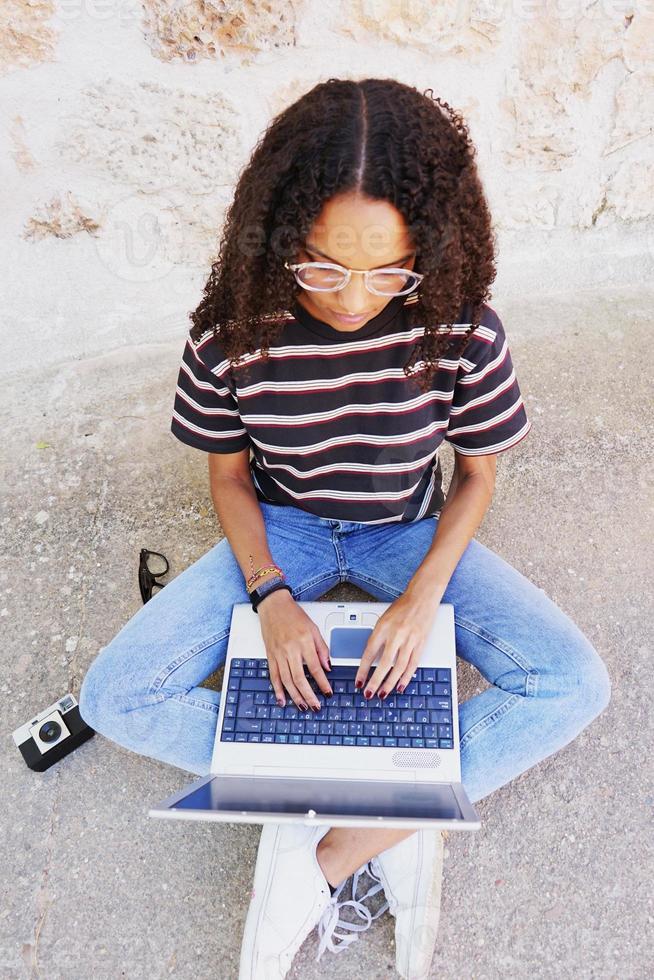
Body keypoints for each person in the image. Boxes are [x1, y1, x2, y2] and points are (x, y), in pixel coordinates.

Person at [78, 78, 612, 980]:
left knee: (573, 684)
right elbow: (228, 473)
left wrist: (420, 596)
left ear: (428, 250)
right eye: (322, 265)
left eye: (387, 269)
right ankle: (401, 798)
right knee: (113, 696)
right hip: (283, 526)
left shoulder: (461, 327)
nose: (356, 296)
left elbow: (478, 475)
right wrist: (270, 595)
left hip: (405, 531)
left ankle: (332, 850)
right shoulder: (228, 338)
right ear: (280, 234)